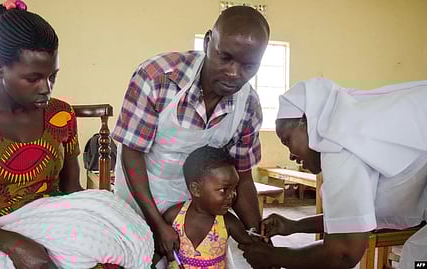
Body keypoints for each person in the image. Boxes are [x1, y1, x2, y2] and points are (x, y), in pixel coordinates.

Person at [0, 1, 153, 268]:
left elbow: (71, 190)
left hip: (58, 226)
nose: (47, 88)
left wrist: (99, 225)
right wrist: (15, 245)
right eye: (33, 78)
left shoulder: (61, 115)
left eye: (52, 76)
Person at [112, 5, 270, 264]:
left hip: (199, 203)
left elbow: (243, 177)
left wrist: (258, 236)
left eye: (249, 66)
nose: (234, 73)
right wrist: (157, 224)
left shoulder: (248, 105)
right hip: (142, 194)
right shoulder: (157, 78)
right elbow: (132, 154)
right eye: (225, 57)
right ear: (209, 41)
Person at [239, 78, 427, 269]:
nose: (291, 156)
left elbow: (344, 254)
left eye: (287, 140)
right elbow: (349, 220)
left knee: (416, 261)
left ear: (306, 120)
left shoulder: (338, 145)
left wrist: (273, 256)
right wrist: (294, 226)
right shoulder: (347, 130)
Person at [157, 146, 259, 268]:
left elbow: (253, 246)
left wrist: (261, 239)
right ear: (196, 189)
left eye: (234, 188)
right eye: (224, 189)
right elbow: (158, 249)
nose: (232, 195)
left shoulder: (228, 223)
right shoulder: (173, 216)